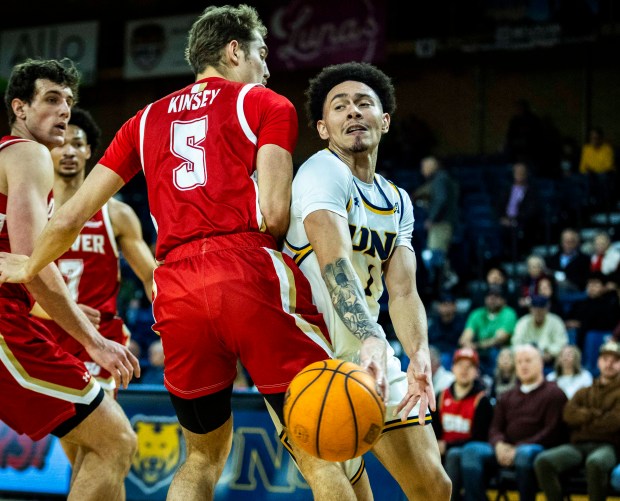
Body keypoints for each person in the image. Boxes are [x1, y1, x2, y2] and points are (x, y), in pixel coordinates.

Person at [0, 8, 357, 500]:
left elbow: (68, 215)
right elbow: (275, 215)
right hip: (246, 268)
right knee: (317, 449)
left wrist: (29, 263)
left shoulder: (142, 120)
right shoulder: (267, 103)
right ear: (235, 51)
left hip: (178, 287)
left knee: (201, 457)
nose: (267, 67)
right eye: (261, 53)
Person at [281, 62, 451, 499]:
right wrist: (373, 335)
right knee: (344, 493)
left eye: (364, 104)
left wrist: (419, 356)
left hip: (369, 349)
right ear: (323, 128)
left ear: (385, 120)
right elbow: (334, 261)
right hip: (308, 352)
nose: (353, 112)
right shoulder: (321, 171)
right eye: (340, 107)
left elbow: (403, 290)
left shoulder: (398, 200)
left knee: (434, 486)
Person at [0, 59, 139, 499]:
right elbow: (32, 263)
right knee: (115, 439)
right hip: (7, 326)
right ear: (20, 108)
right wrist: (95, 340)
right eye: (53, 99)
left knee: (98, 445)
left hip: (19, 322)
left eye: (70, 101)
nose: (64, 110)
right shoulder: (28, 153)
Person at [28, 106, 157, 471]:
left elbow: (150, 277)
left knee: (103, 449)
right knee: (94, 453)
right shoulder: (31, 212)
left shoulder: (116, 214)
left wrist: (170, 322)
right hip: (47, 338)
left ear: (89, 152)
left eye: (78, 144)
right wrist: (58, 306)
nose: (68, 151)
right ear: (49, 151)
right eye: (62, 144)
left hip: (99, 340)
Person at [460, 344, 567, 501]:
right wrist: (499, 445)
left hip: (538, 450)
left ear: (541, 364)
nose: (523, 365)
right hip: (506, 449)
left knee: (524, 454)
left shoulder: (554, 393)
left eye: (528, 360)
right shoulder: (507, 395)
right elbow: (495, 428)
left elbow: (552, 432)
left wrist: (517, 449)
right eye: (519, 362)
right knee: (471, 450)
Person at [534, 340, 620, 501]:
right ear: (598, 362)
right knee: (543, 461)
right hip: (578, 445)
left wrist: (584, 419)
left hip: (609, 446)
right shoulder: (584, 391)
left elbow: (614, 423)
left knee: (595, 463)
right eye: (605, 359)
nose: (609, 364)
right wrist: (596, 415)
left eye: (615, 361)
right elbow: (568, 415)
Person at [432, 348, 493, 501]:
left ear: (476, 372)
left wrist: (447, 446)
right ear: (453, 368)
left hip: (471, 456)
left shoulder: (482, 401)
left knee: (454, 455)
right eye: (460, 365)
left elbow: (481, 437)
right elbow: (433, 431)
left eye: (469, 367)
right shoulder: (441, 396)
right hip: (442, 453)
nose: (464, 370)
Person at [414, 156, 459, 289]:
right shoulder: (439, 179)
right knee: (435, 254)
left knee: (436, 254)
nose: (422, 171)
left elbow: (441, 199)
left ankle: (447, 279)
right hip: (443, 222)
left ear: (431, 167)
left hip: (441, 223)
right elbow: (424, 191)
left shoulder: (440, 179)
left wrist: (432, 219)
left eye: (424, 167)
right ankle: (442, 280)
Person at [459, 285, 517, 376]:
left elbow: (500, 339)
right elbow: (464, 338)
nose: (492, 298)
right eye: (489, 295)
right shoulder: (477, 313)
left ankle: (493, 379)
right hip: (479, 351)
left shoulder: (508, 313)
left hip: (500, 350)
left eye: (497, 296)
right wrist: (467, 344)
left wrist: (477, 345)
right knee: (463, 352)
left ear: (503, 300)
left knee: (494, 352)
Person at [511, 294, 568, 366]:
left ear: (547, 309)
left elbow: (561, 343)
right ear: (530, 309)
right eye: (535, 308)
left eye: (541, 309)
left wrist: (550, 353)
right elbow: (515, 343)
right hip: (526, 359)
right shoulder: (523, 322)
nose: (538, 312)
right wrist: (527, 353)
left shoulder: (556, 322)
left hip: (550, 360)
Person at [546, 228, 591, 293]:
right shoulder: (553, 259)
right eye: (566, 241)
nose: (568, 245)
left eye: (571, 242)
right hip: (555, 295)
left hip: (575, 294)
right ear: (561, 242)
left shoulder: (584, 259)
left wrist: (566, 280)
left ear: (577, 242)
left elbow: (583, 281)